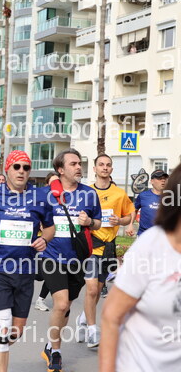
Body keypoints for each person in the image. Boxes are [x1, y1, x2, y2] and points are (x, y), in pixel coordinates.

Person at [0, 150, 54, 372]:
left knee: (15, 332)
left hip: (25, 270)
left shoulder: (39, 197)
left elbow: (50, 227)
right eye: (16, 167)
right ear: (7, 169)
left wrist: (44, 239)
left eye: (26, 167)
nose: (21, 171)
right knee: (2, 327)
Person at [99, 164, 181, 371]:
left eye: (164, 178)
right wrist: (128, 224)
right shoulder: (150, 246)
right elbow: (111, 316)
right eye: (158, 178)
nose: (161, 180)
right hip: (142, 366)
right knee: (94, 289)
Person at [38, 149, 102, 372]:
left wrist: (89, 222)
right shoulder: (45, 194)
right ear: (60, 169)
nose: (78, 167)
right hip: (51, 257)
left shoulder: (89, 194)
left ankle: (50, 345)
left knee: (66, 308)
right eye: (73, 164)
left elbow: (98, 223)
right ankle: (56, 352)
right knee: (62, 303)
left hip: (78, 259)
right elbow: (34, 219)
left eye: (79, 163)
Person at [75, 154, 134, 348]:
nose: (105, 167)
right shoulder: (86, 192)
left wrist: (121, 221)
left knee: (98, 290)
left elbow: (129, 215)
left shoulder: (119, 193)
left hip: (109, 247)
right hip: (91, 245)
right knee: (92, 289)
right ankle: (93, 330)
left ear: (111, 169)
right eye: (101, 164)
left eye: (108, 165)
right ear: (94, 168)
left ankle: (82, 319)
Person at [35, 171, 60, 312]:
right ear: (47, 184)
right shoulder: (41, 197)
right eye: (52, 183)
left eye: (58, 182)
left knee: (51, 272)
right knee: (38, 274)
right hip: (40, 240)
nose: (55, 185)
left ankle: (40, 299)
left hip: (56, 242)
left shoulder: (63, 198)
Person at [125, 169, 169, 237]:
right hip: (144, 234)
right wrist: (130, 224)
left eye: (165, 178)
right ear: (152, 181)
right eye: (160, 178)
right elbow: (134, 210)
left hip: (163, 235)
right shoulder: (143, 195)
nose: (163, 180)